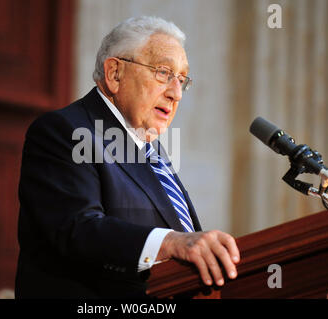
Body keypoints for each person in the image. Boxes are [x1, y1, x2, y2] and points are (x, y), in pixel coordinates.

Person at [15, 16, 240, 299]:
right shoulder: (65, 131)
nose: (176, 93)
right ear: (115, 74)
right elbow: (78, 229)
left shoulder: (152, 153)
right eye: (163, 72)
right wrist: (172, 243)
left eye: (182, 79)